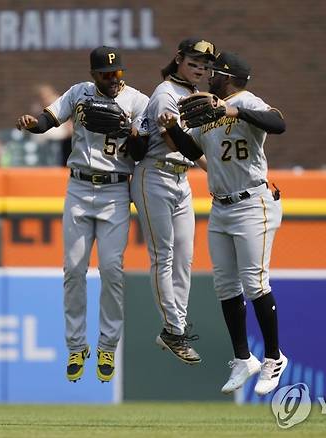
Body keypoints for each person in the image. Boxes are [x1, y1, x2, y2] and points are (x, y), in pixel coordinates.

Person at [16, 46, 149, 383]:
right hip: (78, 187)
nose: (113, 79)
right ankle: (76, 345)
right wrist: (34, 125)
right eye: (106, 74)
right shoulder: (79, 92)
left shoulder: (137, 101)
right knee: (74, 269)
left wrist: (128, 131)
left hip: (115, 189)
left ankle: (107, 344)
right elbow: (50, 118)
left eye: (117, 72)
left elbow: (143, 151)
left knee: (111, 270)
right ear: (93, 75)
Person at [159, 52, 288, 395]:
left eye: (214, 72)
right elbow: (191, 150)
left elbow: (278, 123)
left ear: (227, 77)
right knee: (225, 285)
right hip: (220, 205)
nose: (208, 77)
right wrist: (173, 129)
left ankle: (274, 358)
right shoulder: (207, 107)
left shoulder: (244, 100)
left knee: (255, 282)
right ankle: (243, 358)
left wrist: (233, 109)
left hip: (252, 201)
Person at [129, 37, 216, 365]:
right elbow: (174, 140)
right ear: (178, 59)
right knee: (163, 255)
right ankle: (174, 329)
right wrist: (215, 171)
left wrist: (213, 170)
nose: (199, 68)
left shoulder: (194, 94)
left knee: (186, 257)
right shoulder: (166, 92)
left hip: (180, 178)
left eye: (204, 65)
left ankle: (174, 326)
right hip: (155, 175)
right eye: (194, 62)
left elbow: (193, 150)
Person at [31, 84, 74, 166]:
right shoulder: (37, 109)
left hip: (59, 141)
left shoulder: (60, 106)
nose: (45, 99)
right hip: (43, 143)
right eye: (42, 97)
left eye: (47, 96)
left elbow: (69, 126)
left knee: (56, 161)